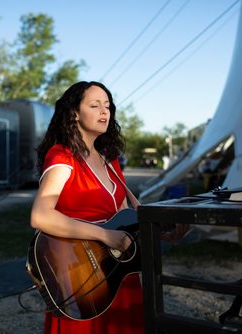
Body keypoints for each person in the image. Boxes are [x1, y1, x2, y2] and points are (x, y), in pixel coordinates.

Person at [30, 81, 186, 333]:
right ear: (75, 114)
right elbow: (40, 216)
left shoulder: (109, 160)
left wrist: (166, 231)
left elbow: (136, 217)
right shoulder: (62, 155)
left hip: (120, 272)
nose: (104, 111)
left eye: (107, 106)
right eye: (94, 105)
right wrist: (105, 235)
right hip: (81, 274)